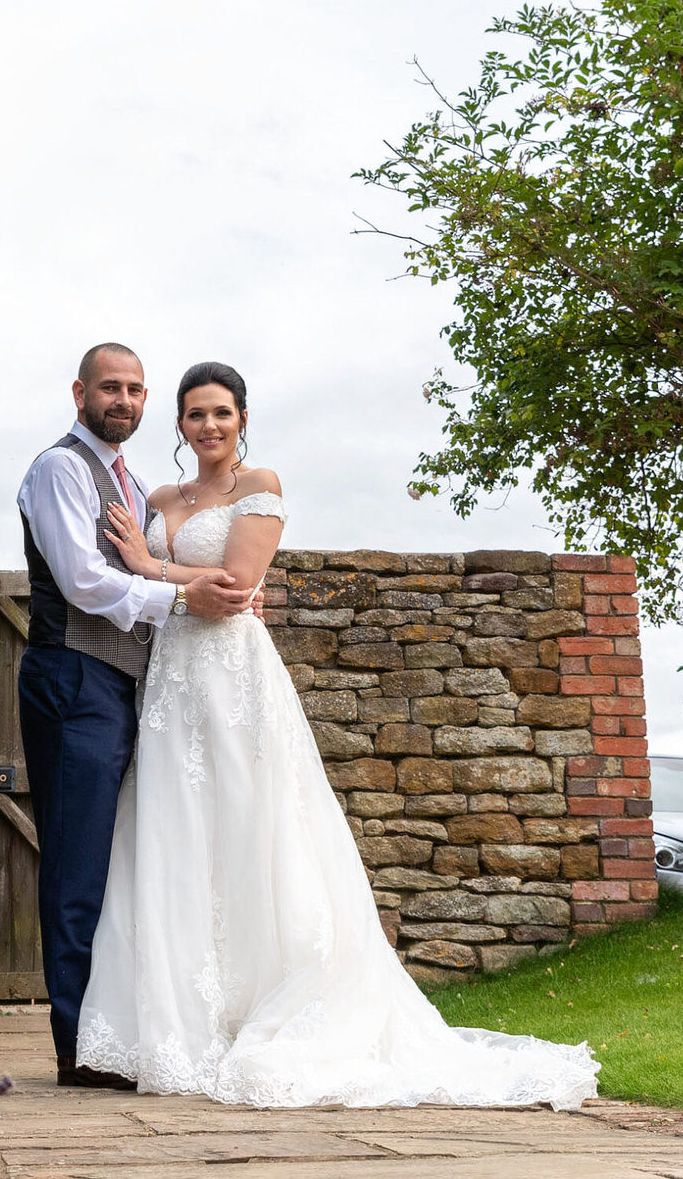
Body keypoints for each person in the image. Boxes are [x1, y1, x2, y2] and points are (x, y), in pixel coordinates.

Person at [72, 360, 600, 1110]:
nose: (210, 426)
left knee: (256, 829)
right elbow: (188, 589)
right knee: (175, 833)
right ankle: (184, 1020)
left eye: (222, 412)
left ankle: (268, 1005)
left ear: (242, 417)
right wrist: (165, 574)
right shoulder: (158, 496)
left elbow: (236, 592)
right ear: (179, 423)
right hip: (170, 685)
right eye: (195, 414)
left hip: (233, 680)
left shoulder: (262, 487)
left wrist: (142, 563)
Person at [14, 343, 257, 1089]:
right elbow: (86, 581)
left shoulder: (141, 485)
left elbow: (156, 567)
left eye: (135, 389)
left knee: (126, 861)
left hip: (133, 687)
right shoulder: (60, 468)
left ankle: (120, 1031)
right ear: (80, 391)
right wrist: (185, 597)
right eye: (109, 387)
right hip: (73, 677)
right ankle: (77, 1048)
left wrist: (209, 584)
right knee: (77, 860)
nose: (122, 399)